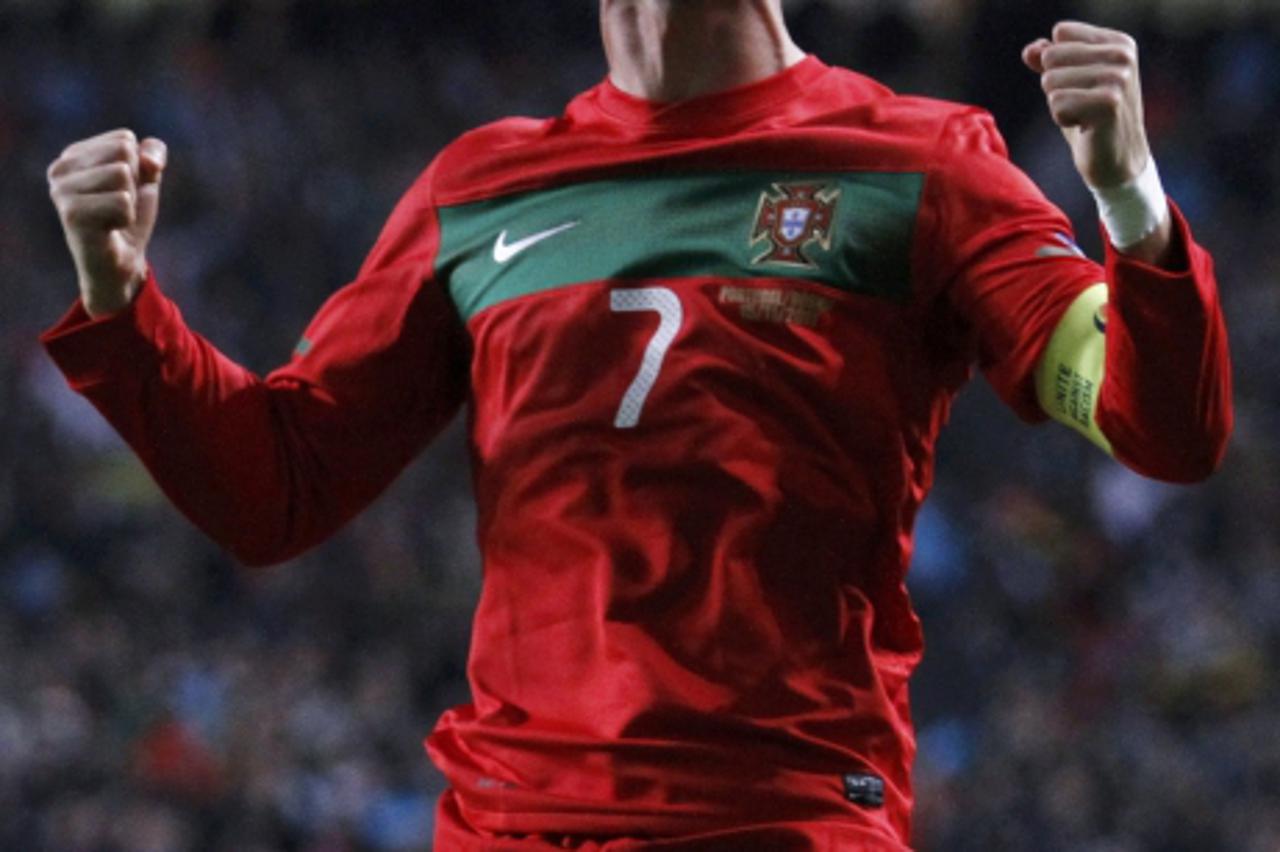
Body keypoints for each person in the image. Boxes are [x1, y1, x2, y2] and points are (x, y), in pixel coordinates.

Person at [41, 1, 1231, 849]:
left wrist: (1128, 201)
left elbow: (1157, 429)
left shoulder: (922, 162)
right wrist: (121, 302)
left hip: (772, 817)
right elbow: (276, 488)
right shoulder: (483, 188)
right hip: (507, 821)